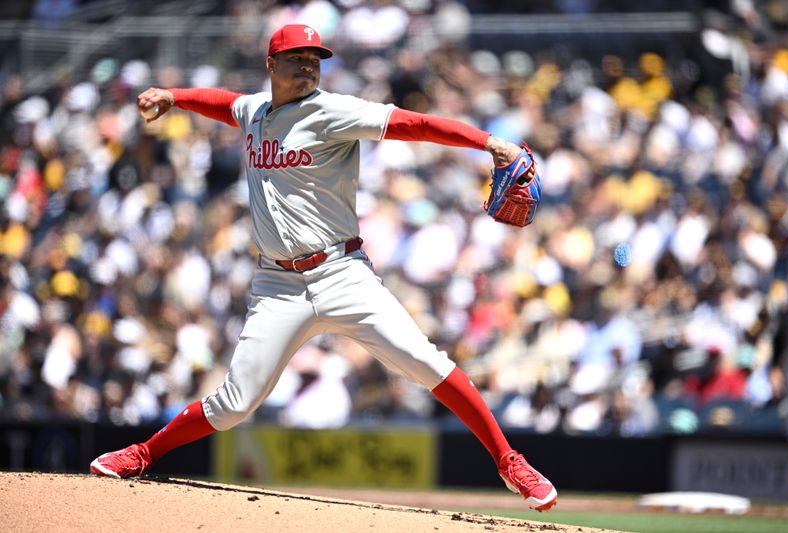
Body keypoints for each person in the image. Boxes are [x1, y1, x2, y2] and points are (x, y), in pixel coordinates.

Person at [89, 24, 557, 511]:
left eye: (315, 56)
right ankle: (142, 453)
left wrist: (489, 143)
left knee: (426, 363)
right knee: (233, 405)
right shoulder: (254, 110)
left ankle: (509, 462)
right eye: (296, 57)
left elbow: (414, 125)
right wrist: (175, 96)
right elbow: (224, 103)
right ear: (271, 65)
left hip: (342, 273)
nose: (309, 64)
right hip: (277, 285)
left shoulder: (333, 110)